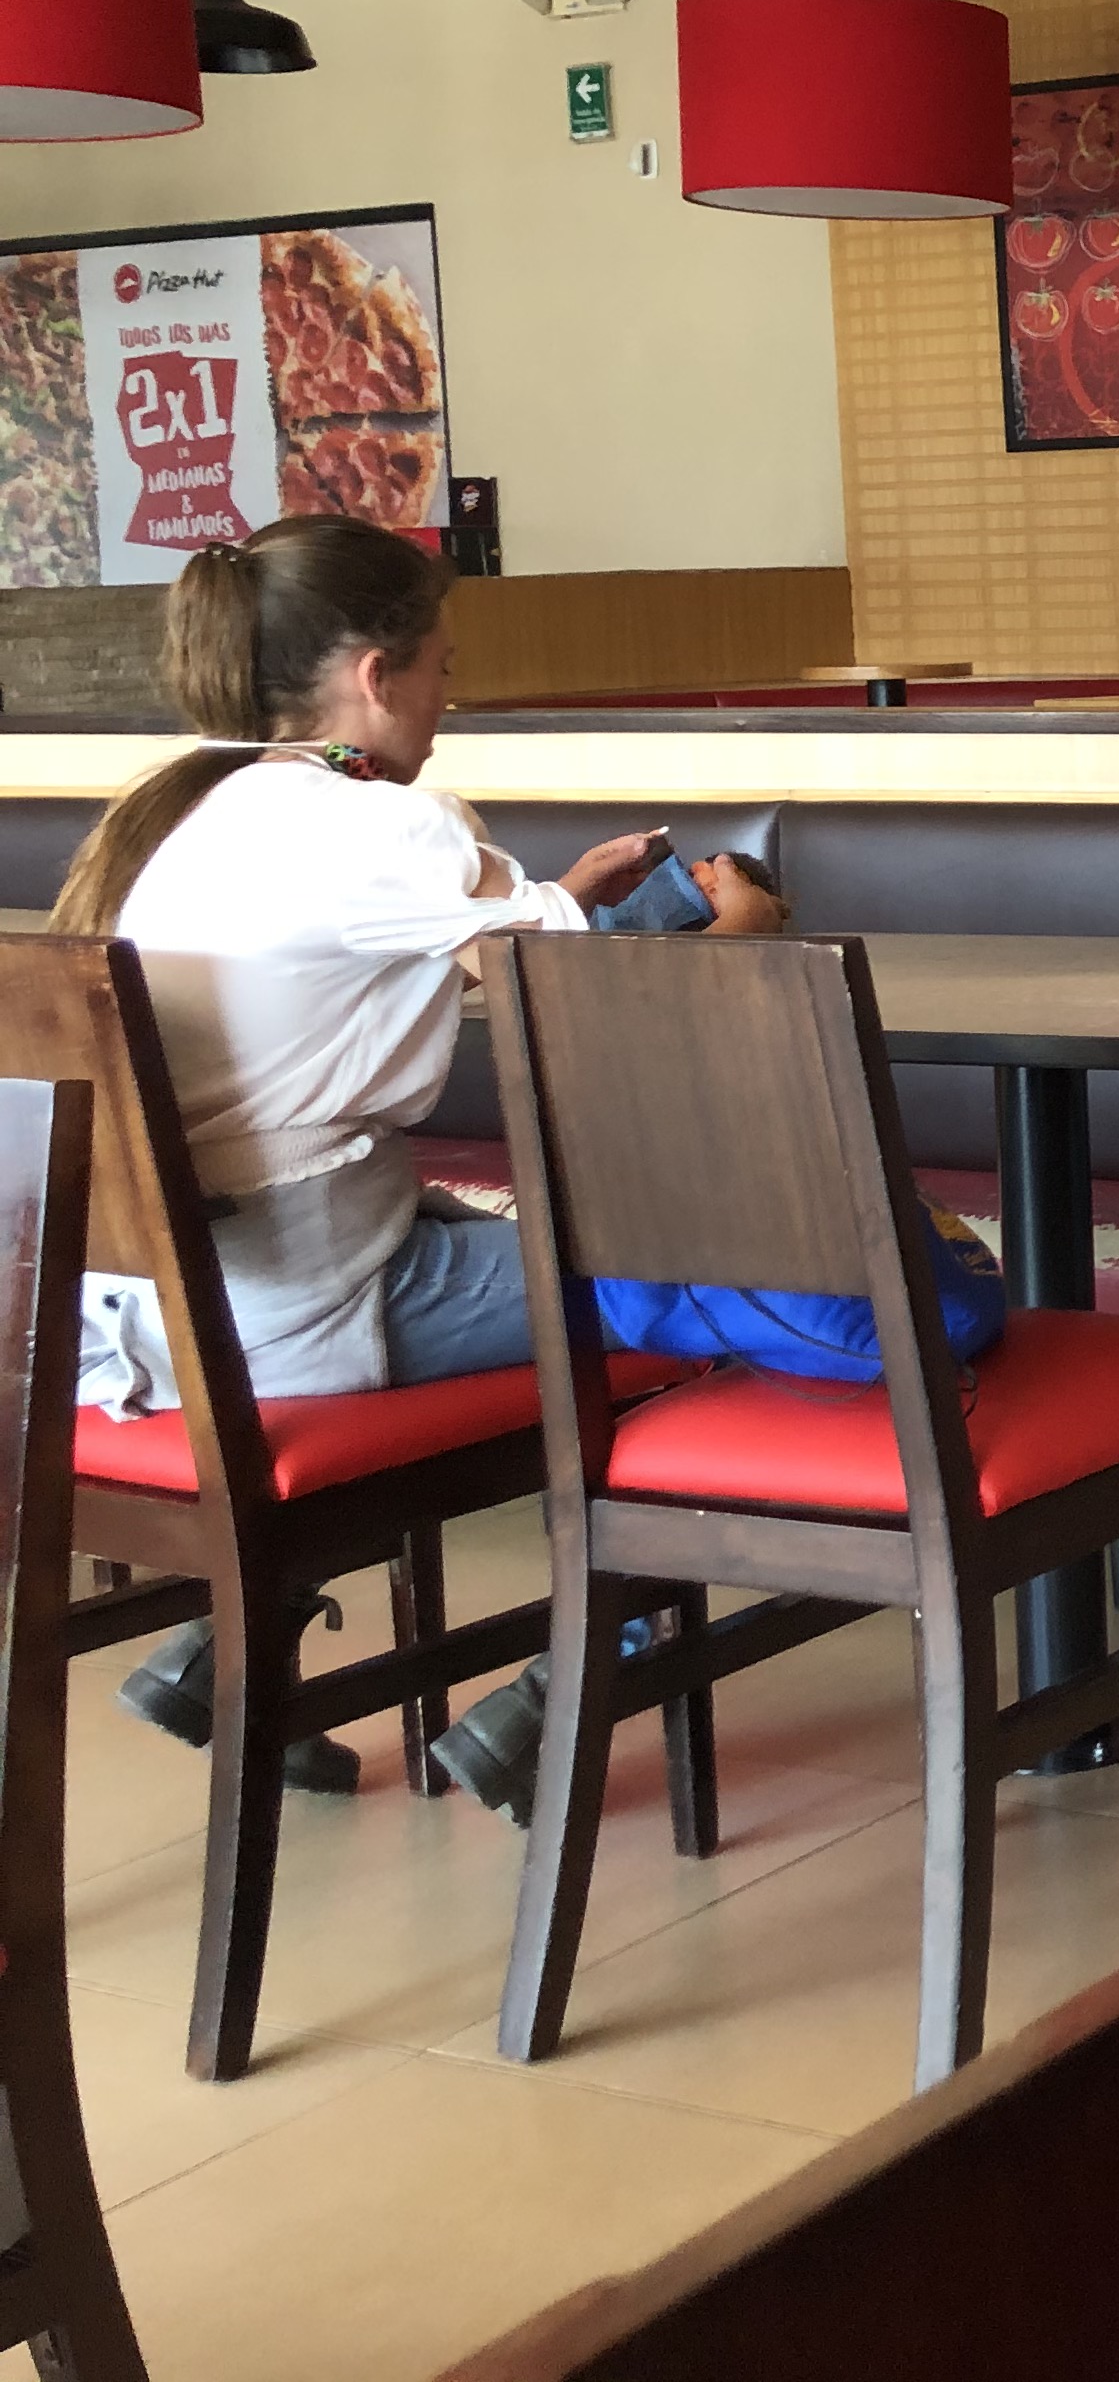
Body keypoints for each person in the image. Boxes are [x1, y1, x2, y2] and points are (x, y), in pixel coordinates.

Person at [54, 518, 783, 1791]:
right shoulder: (383, 826)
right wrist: (744, 936)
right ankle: (565, 1689)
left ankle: (223, 1652)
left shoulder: (168, 817)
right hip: (298, 1313)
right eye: (444, 666)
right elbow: (604, 1019)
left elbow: (368, 958)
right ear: (376, 675)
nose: (451, 699)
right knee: (754, 1277)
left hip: (139, 1322)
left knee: (534, 1246)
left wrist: (558, 901)